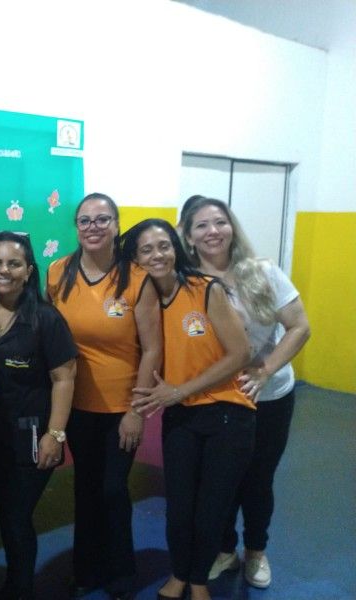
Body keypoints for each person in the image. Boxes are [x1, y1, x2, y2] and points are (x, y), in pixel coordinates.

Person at [180, 198, 310, 589]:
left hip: (267, 398)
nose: (213, 231)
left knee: (257, 480)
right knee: (217, 483)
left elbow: (299, 327)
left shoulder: (261, 271)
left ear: (232, 227)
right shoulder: (186, 281)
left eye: (220, 222)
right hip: (216, 399)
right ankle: (225, 550)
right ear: (188, 236)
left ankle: (255, 551)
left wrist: (266, 370)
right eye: (202, 225)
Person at [123, 218, 254, 600]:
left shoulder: (205, 288)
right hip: (181, 416)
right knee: (179, 506)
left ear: (176, 248)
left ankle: (198, 580)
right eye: (146, 250)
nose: (157, 255)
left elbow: (240, 353)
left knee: (211, 507)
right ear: (135, 259)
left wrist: (180, 391)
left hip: (228, 413)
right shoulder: (145, 301)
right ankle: (179, 573)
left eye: (164, 245)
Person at [46, 193, 162, 600]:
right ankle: (87, 567)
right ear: (76, 227)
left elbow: (152, 349)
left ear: (116, 225)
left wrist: (137, 410)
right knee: (85, 487)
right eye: (85, 220)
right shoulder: (58, 272)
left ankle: (121, 570)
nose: (93, 227)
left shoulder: (137, 278)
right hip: (75, 405)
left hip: (120, 409)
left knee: (113, 489)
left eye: (102, 219)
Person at [0, 231, 77, 600]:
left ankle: (20, 588)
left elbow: (64, 378)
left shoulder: (45, 319)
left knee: (16, 516)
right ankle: (15, 583)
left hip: (32, 437)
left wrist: (56, 434)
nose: (4, 270)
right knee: (6, 512)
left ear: (29, 271)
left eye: (14, 264)